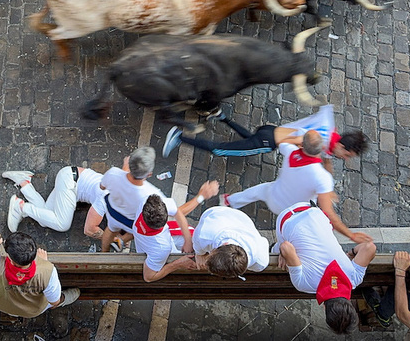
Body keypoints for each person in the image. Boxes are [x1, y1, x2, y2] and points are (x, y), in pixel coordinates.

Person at [225, 131, 373, 244]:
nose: (346, 158)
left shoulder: (290, 151)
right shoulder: (323, 179)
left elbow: (282, 139)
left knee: (258, 191)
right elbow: (328, 212)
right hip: (291, 211)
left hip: (274, 194)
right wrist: (350, 235)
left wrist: (300, 139)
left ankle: (229, 200)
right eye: (347, 154)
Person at [163, 106, 370, 173]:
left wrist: (328, 176)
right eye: (347, 154)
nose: (346, 158)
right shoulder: (322, 141)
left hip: (268, 130)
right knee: (220, 150)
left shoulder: (330, 137)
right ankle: (180, 137)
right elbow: (299, 140)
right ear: (342, 145)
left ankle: (222, 117)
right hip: (267, 143)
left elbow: (327, 158)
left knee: (249, 136)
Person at [275, 201, 378, 334]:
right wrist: (285, 255)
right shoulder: (303, 285)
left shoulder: (354, 278)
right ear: (324, 308)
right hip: (287, 218)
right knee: (277, 248)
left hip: (313, 210)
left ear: (351, 304)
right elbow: (286, 247)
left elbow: (370, 247)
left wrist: (351, 253)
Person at [0, 230, 79, 318]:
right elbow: (54, 301)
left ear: (11, 259)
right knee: (58, 299)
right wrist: (44, 263)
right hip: (32, 311)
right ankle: (68, 298)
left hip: (2, 304)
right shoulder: (48, 270)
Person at [99, 147, 191, 255]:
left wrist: (123, 170)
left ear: (129, 163)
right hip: (133, 223)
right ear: (149, 174)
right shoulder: (151, 194)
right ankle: (122, 241)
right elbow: (177, 212)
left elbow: (102, 187)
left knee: (110, 230)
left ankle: (104, 253)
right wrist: (188, 241)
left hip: (113, 213)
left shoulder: (113, 173)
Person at [131, 183, 216, 282]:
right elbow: (149, 277)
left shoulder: (146, 203)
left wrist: (188, 240)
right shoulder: (161, 248)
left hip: (147, 246)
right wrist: (178, 264)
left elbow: (177, 212)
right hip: (159, 257)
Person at [2, 166, 108, 239]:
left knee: (45, 219)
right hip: (70, 184)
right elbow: (89, 229)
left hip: (70, 176)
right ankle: (20, 207)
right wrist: (112, 239)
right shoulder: (105, 199)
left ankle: (24, 183)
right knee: (62, 224)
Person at [193, 200, 270, 276]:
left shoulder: (260, 261)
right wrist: (199, 254)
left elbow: (264, 241)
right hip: (217, 213)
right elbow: (197, 241)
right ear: (225, 244)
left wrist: (200, 254)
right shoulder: (204, 234)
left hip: (241, 221)